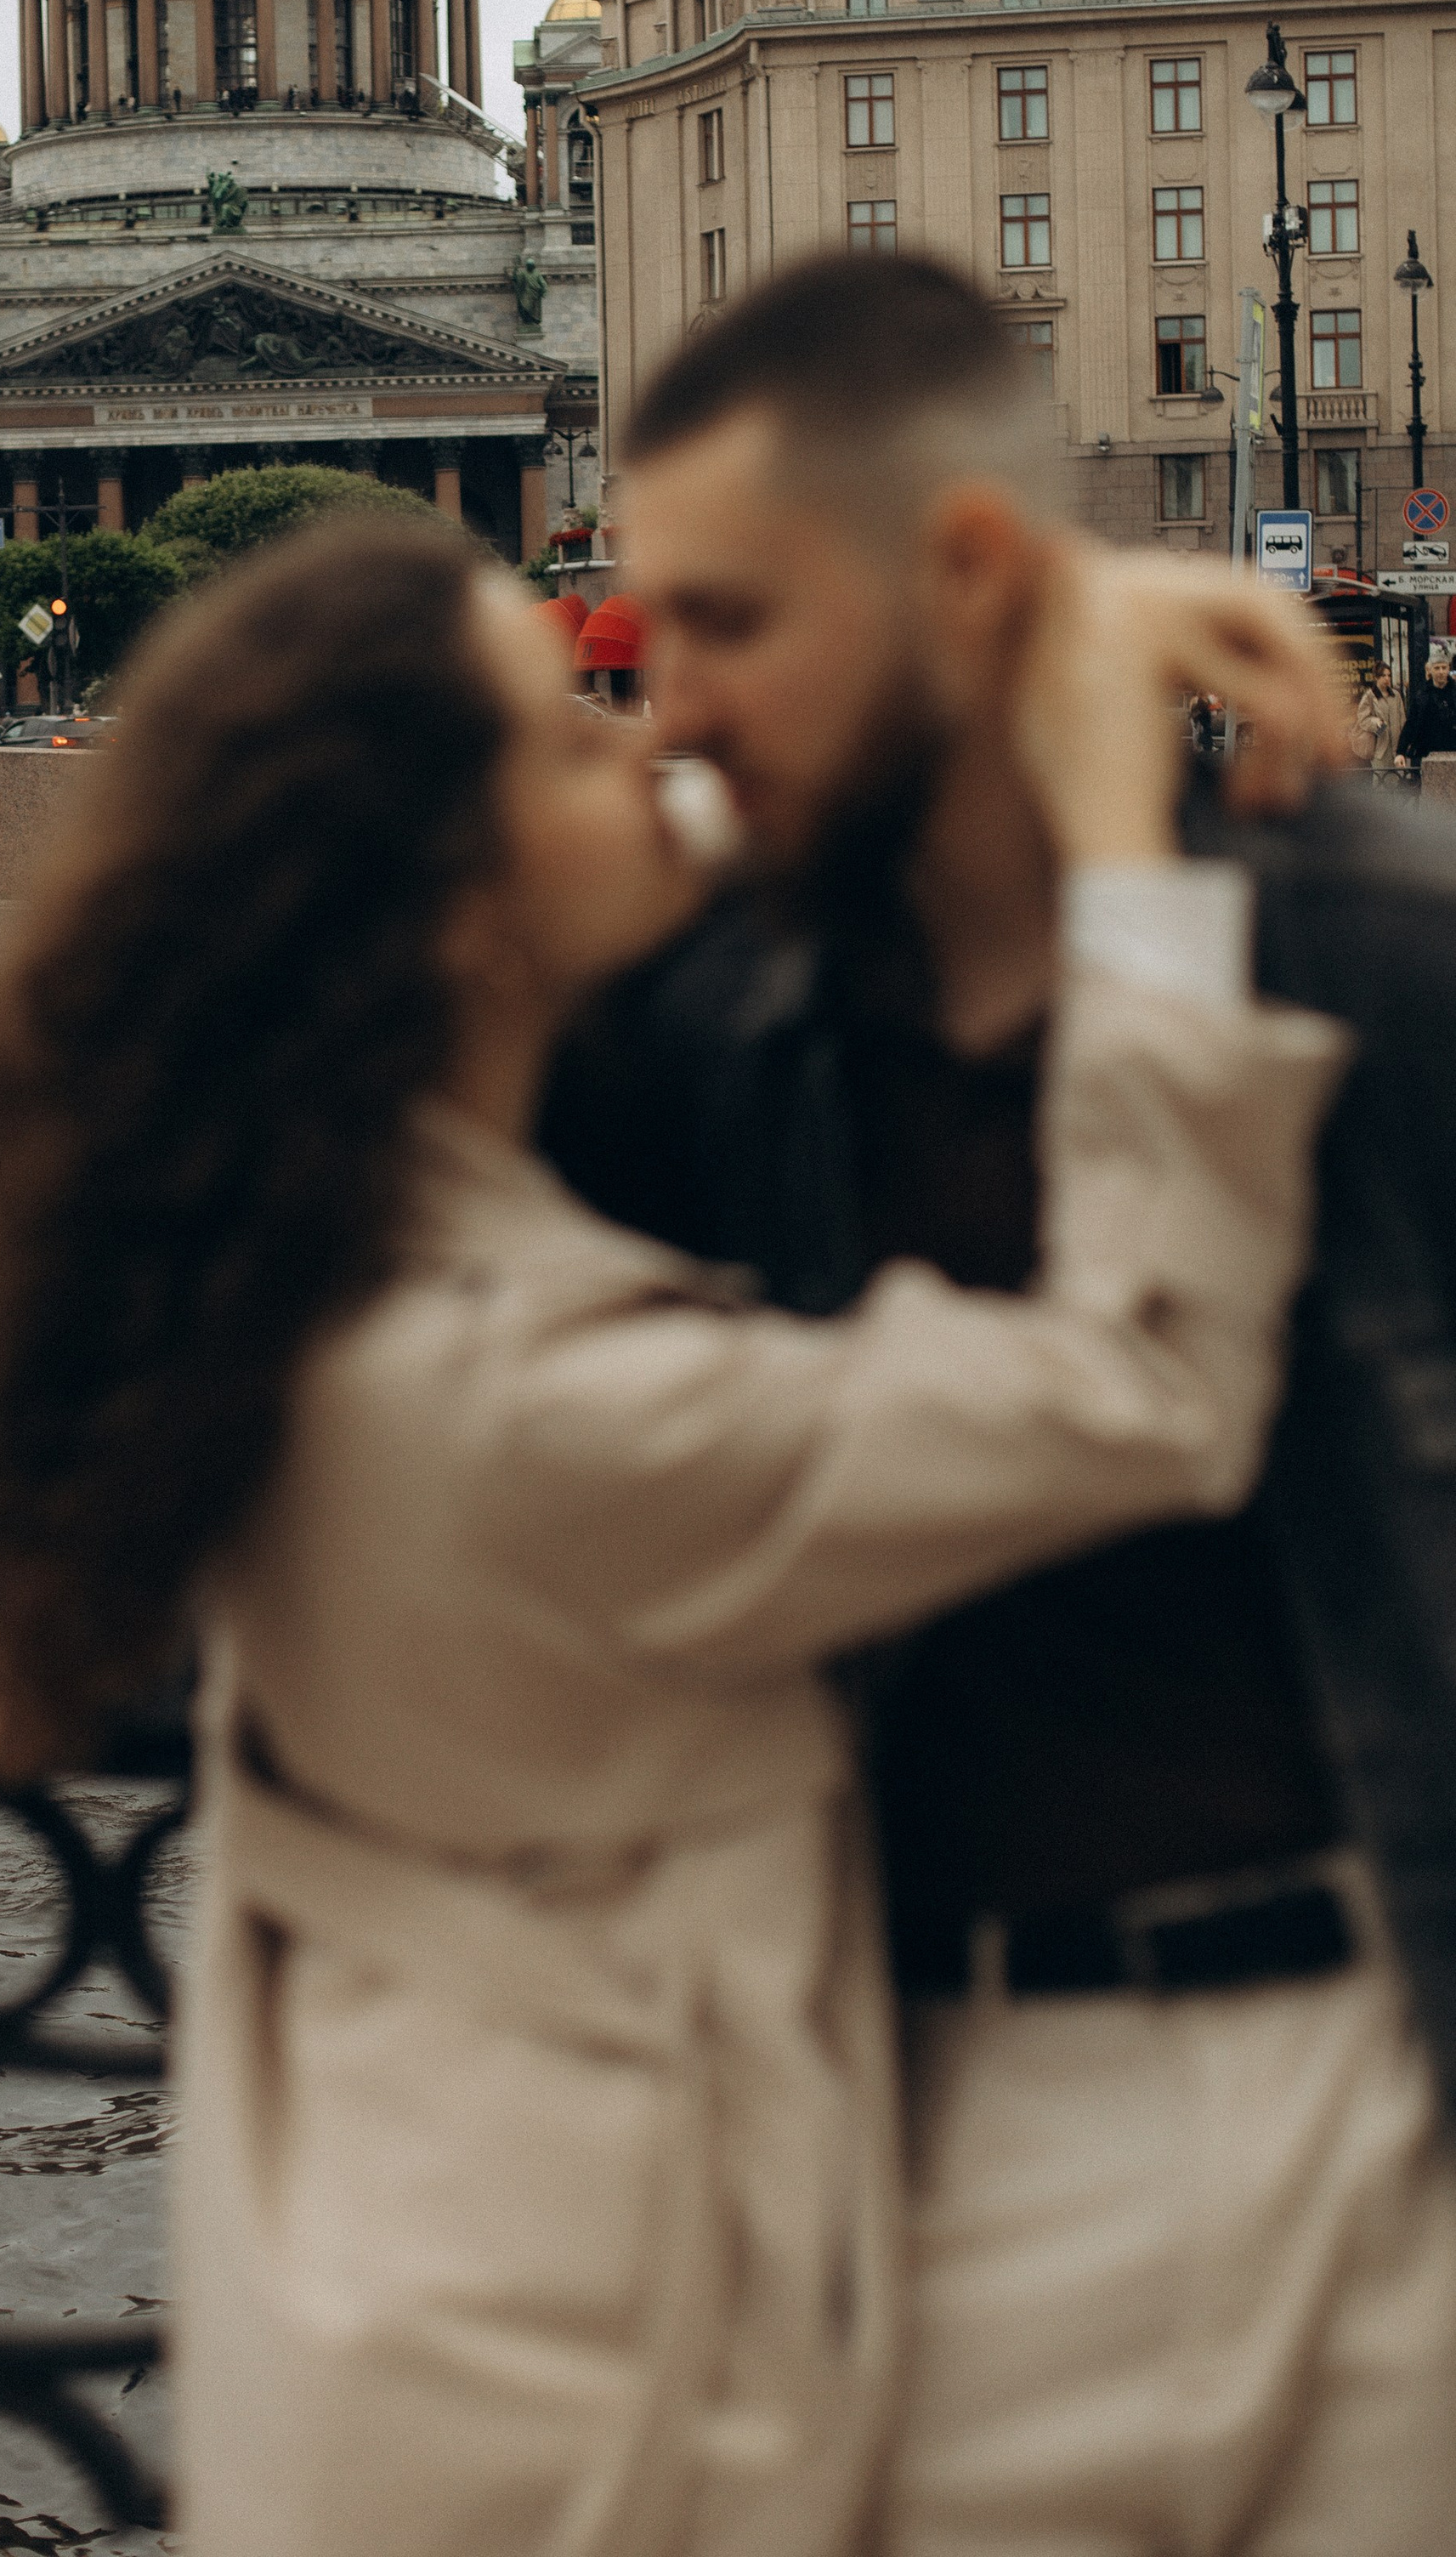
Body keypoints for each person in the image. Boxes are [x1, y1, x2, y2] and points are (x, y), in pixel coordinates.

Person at [0, 514, 1346, 2557]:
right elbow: (1150, 1380)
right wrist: (1119, 844)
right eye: (569, 732)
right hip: (605, 2396)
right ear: (462, 914)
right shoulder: (528, 1399)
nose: (642, 741)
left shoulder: (232, 1260)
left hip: (381, 2288)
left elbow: (657, 865)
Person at [547, 252, 1456, 2554]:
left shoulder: (1379, 952)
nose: (675, 705)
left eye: (733, 623)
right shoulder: (694, 1029)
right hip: (920, 2147)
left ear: (962, 573)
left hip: (1382, 2113)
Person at [1397, 640, 1456, 775]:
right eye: (1437, 668)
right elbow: (1411, 724)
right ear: (1430, 670)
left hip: (1453, 752)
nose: (1441, 672)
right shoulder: (1422, 695)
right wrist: (1400, 752)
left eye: (1444, 667)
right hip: (1427, 753)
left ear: (1448, 668)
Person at [1356, 661, 1404, 783]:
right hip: (1380, 748)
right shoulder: (1370, 696)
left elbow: (1402, 718)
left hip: (1397, 747)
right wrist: (1375, 722)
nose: (1387, 679)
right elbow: (1363, 719)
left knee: (1397, 782)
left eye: (1389, 675)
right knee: (1381, 782)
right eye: (1383, 676)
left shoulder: (1396, 696)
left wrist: (1404, 741)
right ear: (1376, 677)